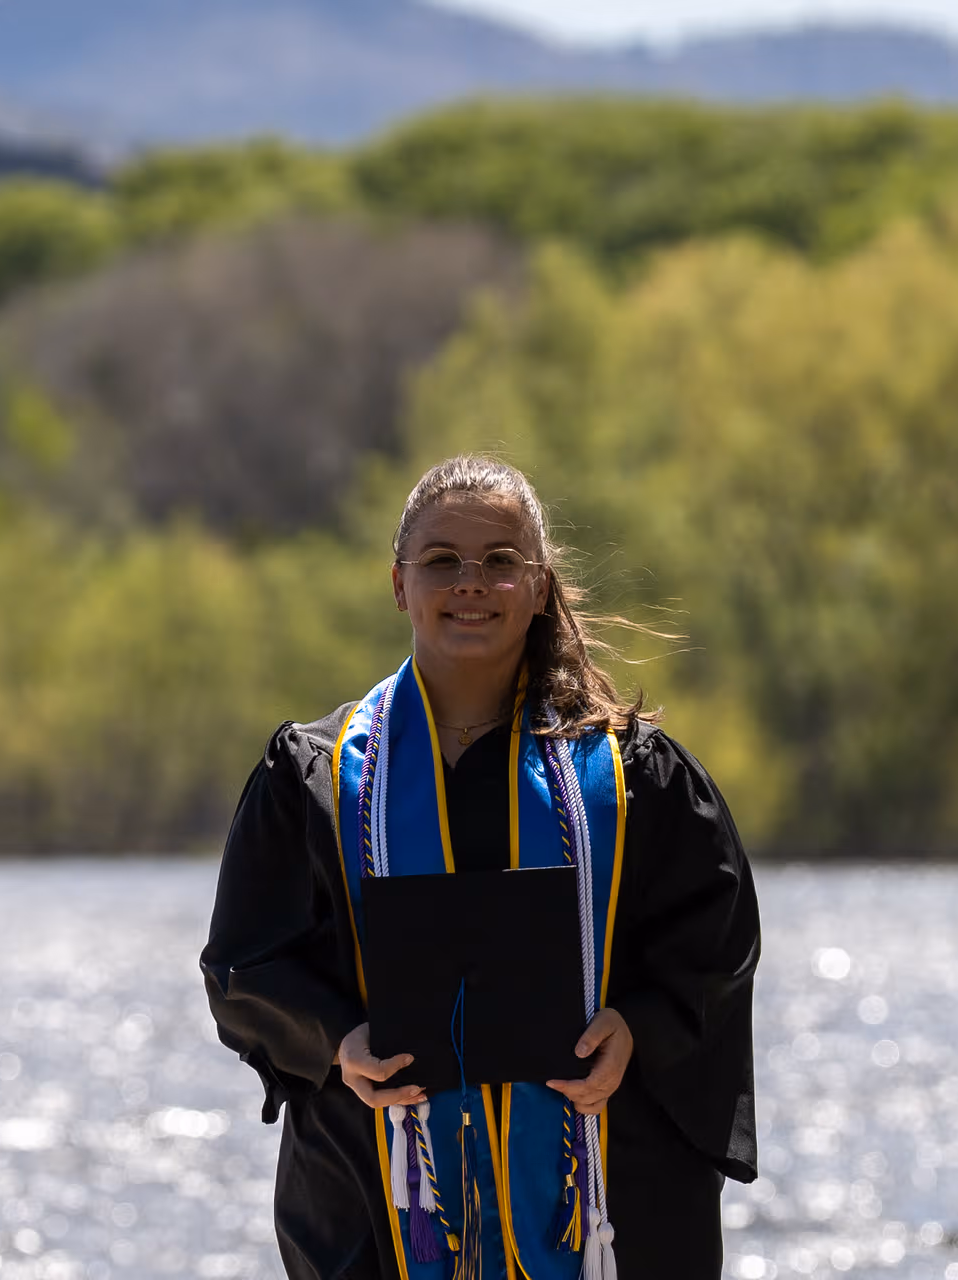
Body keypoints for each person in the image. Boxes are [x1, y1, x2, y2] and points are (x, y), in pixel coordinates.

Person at [201, 455, 760, 1280]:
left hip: (601, 1186)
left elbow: (713, 944)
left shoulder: (631, 776)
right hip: (375, 1184)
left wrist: (636, 1026)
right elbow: (245, 965)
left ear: (538, 586)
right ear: (399, 584)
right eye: (441, 561)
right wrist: (337, 1040)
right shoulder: (316, 779)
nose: (471, 582)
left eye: (501, 560)